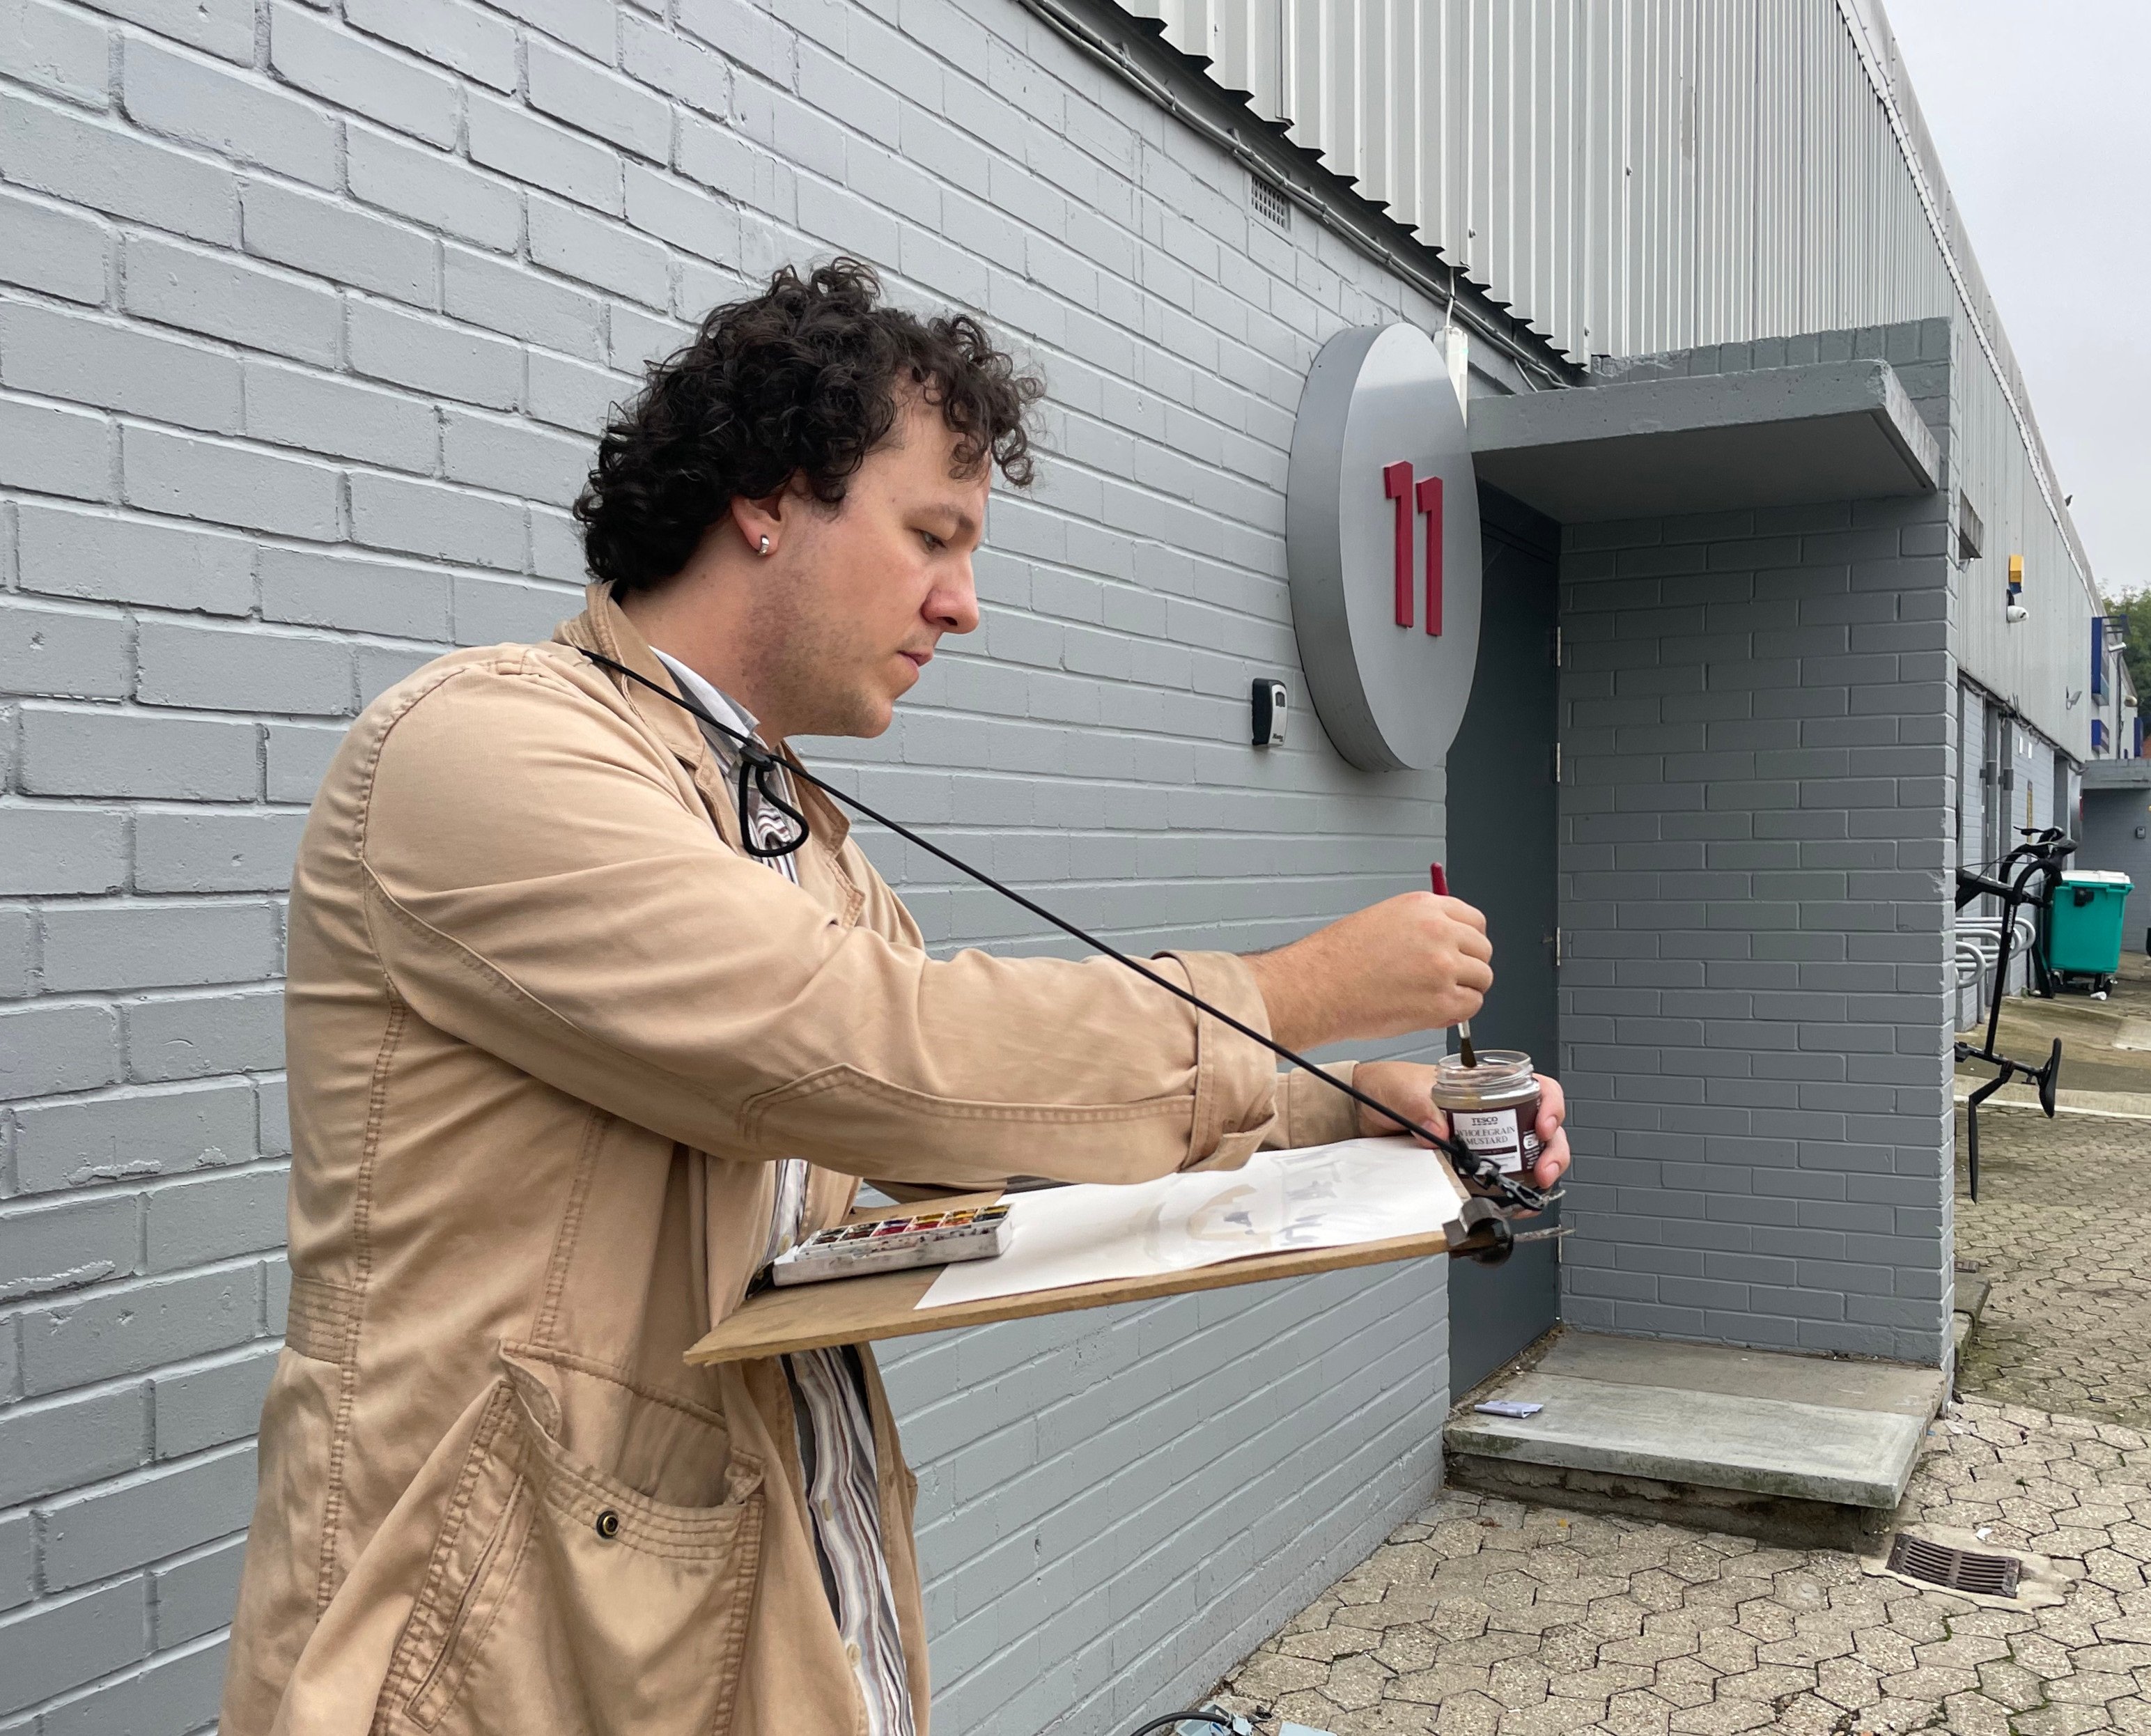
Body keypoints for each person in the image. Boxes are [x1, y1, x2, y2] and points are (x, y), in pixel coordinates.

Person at [219, 258, 1570, 1736]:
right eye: (933, 533)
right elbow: (876, 1051)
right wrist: (1296, 990)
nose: (963, 603)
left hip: (755, 1600)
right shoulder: (480, 752)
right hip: (493, 1669)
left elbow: (948, 1138)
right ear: (764, 494)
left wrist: (1336, 1107)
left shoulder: (793, 833)